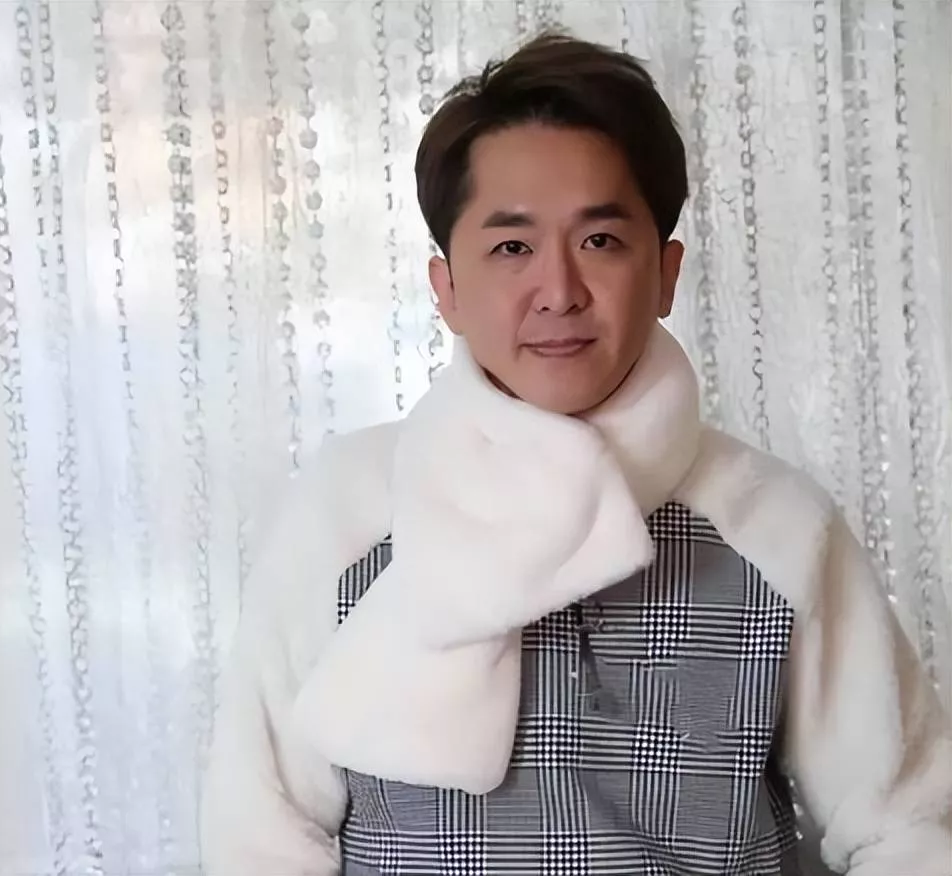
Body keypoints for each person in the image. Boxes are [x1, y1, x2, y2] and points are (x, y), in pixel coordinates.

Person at [200, 31, 952, 876]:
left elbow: (913, 826)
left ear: (665, 273)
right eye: (512, 248)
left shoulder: (775, 526)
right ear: (447, 290)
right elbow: (259, 839)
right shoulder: (348, 512)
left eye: (599, 241)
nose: (558, 292)